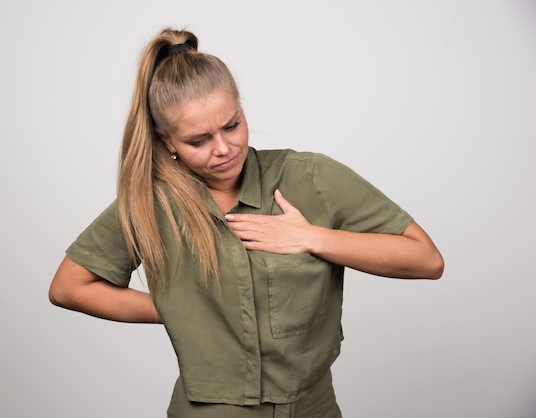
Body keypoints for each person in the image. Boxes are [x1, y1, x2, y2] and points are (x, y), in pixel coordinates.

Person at [49, 27, 444, 418]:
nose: (223, 149)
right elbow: (69, 287)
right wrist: (171, 308)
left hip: (313, 408)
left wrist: (311, 238)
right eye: (198, 140)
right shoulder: (152, 204)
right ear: (167, 141)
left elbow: (426, 259)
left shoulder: (310, 177)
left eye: (232, 125)